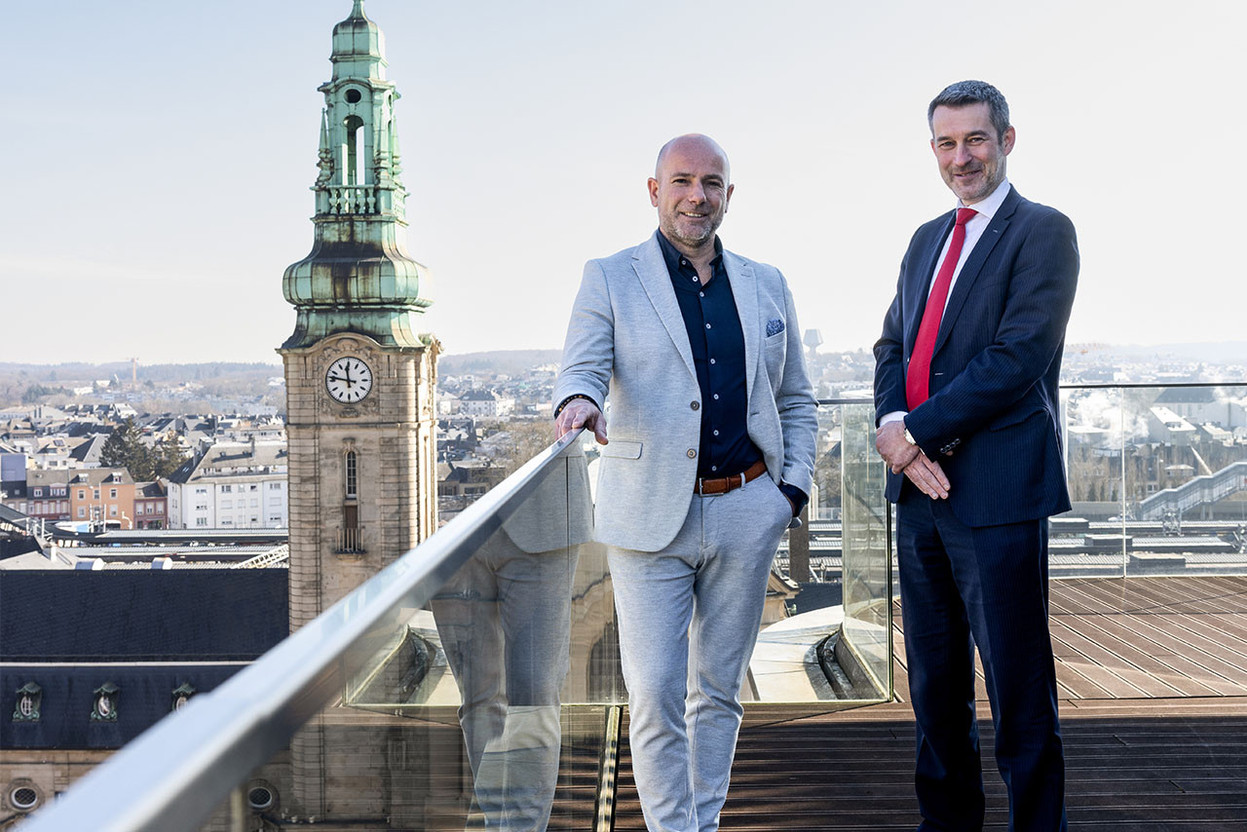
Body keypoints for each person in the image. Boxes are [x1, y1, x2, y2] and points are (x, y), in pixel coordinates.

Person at [553, 133, 817, 832]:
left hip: (747, 508)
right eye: (681, 181)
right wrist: (578, 403)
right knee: (656, 693)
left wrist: (788, 492)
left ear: (729, 195)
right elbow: (580, 367)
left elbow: (795, 397)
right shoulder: (609, 276)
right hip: (646, 516)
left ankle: (701, 822)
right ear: (653, 191)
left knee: (719, 692)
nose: (695, 196)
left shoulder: (767, 283)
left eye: (710, 183)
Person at [873, 80, 1079, 831]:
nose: (960, 157)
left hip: (993, 492)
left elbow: (1016, 355)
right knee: (933, 685)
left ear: (1006, 140)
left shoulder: (1042, 231)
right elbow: (891, 346)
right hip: (919, 497)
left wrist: (914, 433)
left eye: (975, 140)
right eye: (945, 143)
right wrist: (894, 430)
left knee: (1017, 687)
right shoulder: (926, 238)